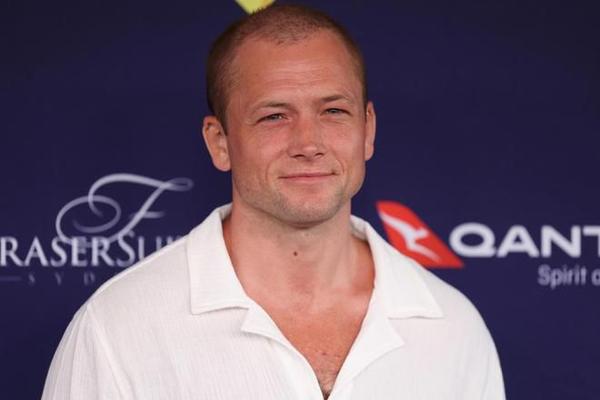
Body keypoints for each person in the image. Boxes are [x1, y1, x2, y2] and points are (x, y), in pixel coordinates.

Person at [42, 4, 505, 399]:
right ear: (219, 142)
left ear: (368, 130)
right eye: (274, 116)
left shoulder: (453, 327)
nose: (309, 143)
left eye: (333, 111)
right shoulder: (117, 329)